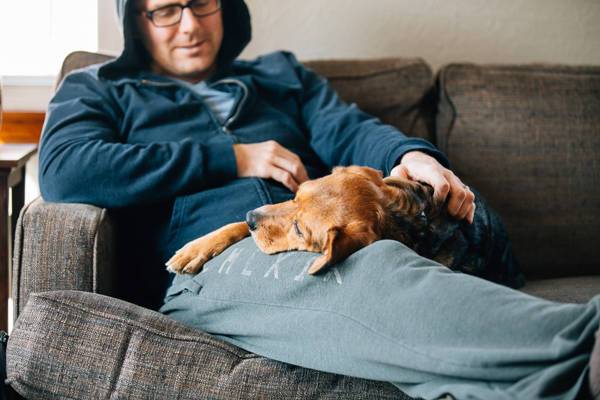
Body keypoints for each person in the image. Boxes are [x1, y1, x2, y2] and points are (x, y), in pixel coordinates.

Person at [37, 0, 599, 399]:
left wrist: (413, 157)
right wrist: (231, 157)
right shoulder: (98, 86)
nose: (188, 24)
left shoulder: (281, 76)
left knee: (387, 257)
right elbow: (64, 170)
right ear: (135, 18)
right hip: (213, 259)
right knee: (373, 267)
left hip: (318, 231)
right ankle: (586, 343)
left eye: (201, 2)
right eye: (164, 9)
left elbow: (352, 132)